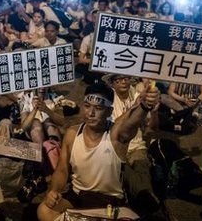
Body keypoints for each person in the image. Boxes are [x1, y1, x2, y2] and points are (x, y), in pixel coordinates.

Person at [37, 82, 160, 221]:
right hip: (78, 197)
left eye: (99, 108)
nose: (91, 113)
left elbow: (130, 124)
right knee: (44, 210)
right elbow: (62, 170)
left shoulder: (116, 135)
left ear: (109, 111)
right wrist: (54, 190)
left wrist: (145, 106)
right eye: (87, 106)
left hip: (109, 202)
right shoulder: (72, 134)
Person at [106, 74, 159, 215]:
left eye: (126, 78)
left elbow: (152, 127)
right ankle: (150, 202)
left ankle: (145, 201)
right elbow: (113, 127)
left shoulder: (137, 94)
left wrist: (154, 112)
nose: (123, 81)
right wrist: (135, 108)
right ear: (112, 83)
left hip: (137, 145)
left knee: (142, 170)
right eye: (119, 79)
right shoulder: (108, 98)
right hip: (116, 147)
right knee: (127, 173)